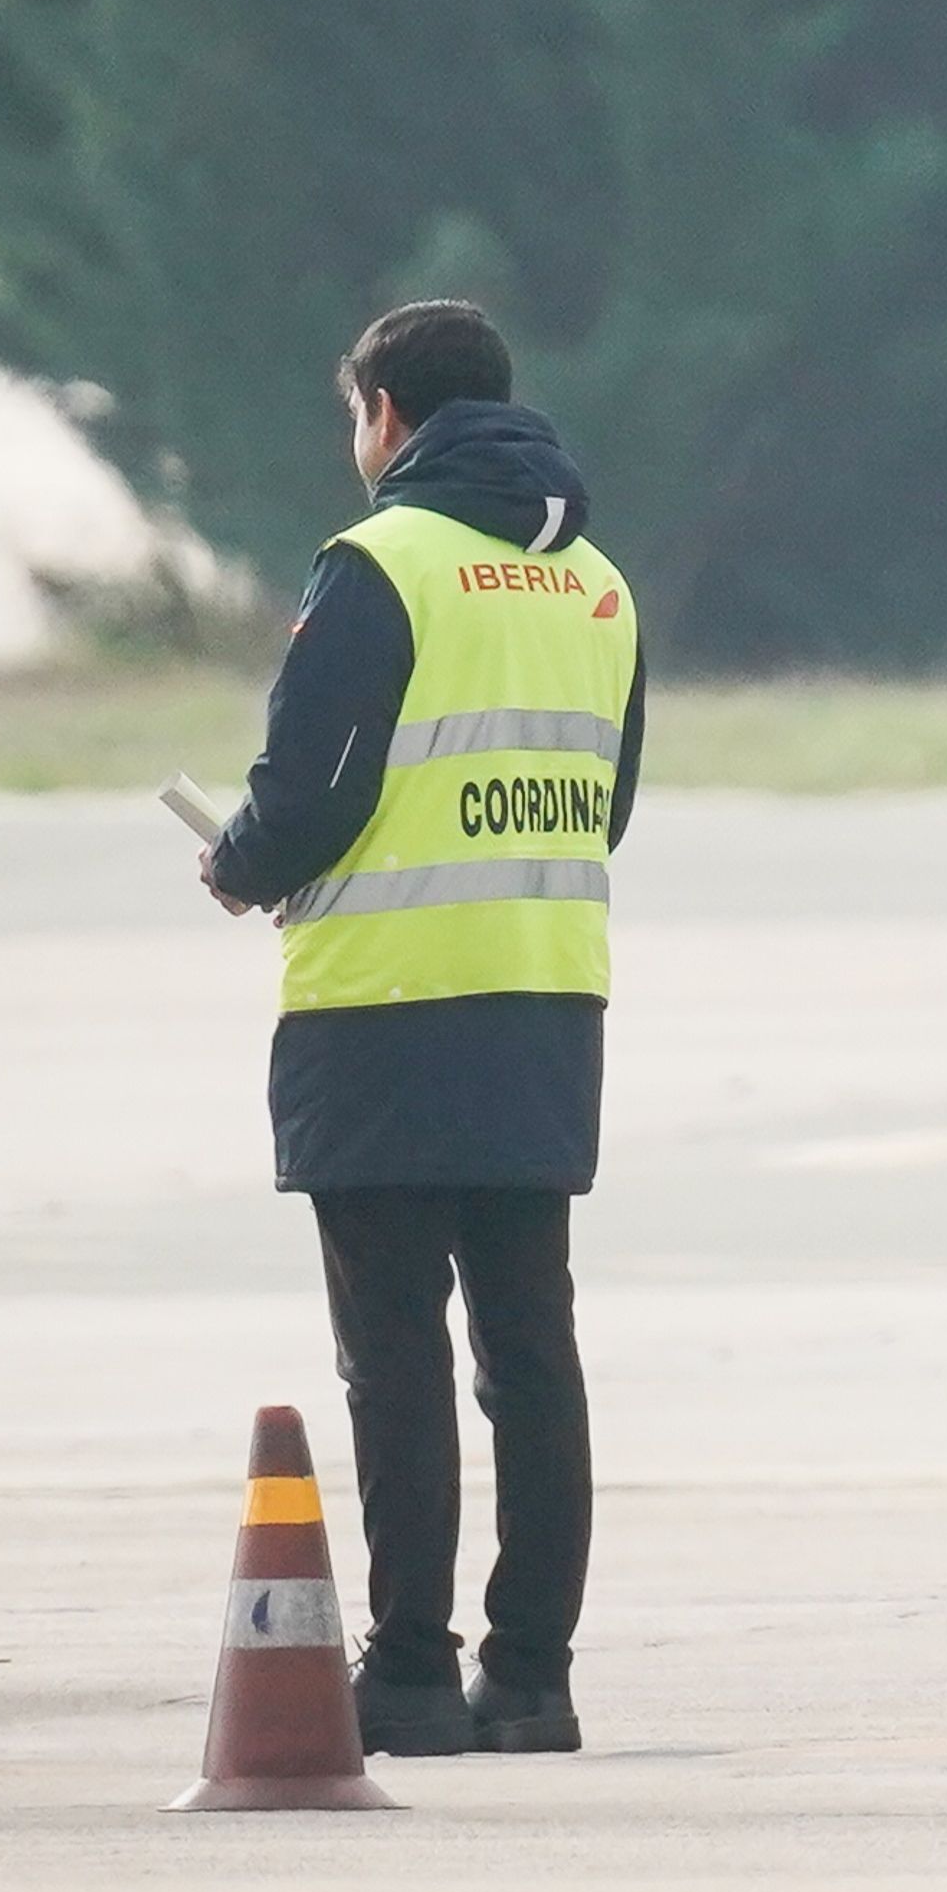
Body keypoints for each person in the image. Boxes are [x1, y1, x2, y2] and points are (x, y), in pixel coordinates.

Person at [201, 299, 643, 1759]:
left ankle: (405, 1676)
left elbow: (312, 784)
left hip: (386, 1004)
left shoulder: (379, 565)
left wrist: (238, 863)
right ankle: (533, 1676)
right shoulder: (597, 585)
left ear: (388, 415)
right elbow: (608, 806)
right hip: (542, 996)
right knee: (533, 1347)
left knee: (393, 1354)